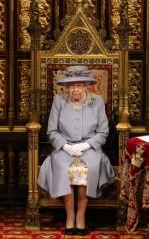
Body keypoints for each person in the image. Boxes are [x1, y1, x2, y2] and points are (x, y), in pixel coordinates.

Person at [38, 65, 115, 236]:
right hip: (63, 148)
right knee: (62, 168)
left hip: (90, 148)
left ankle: (81, 216)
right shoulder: (59, 101)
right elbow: (51, 131)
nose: (75, 90)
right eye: (71, 86)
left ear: (87, 85)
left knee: (88, 169)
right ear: (66, 87)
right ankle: (70, 215)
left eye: (79, 85)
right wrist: (66, 147)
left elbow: (103, 132)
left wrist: (84, 146)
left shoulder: (97, 102)